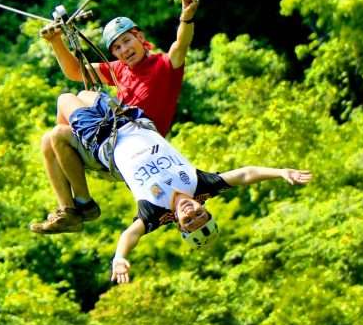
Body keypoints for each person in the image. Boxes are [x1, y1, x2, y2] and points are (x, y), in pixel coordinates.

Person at [30, 91, 312, 285]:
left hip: (103, 139)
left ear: (178, 223)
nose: (192, 212)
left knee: (64, 103)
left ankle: (79, 202)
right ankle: (69, 165)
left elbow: (130, 235)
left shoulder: (155, 213)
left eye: (189, 221)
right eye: (201, 214)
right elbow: (246, 174)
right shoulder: (202, 186)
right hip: (131, 120)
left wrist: (120, 258)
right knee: (84, 97)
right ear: (205, 207)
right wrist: (281, 172)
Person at [35, 0, 200, 226]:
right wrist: (56, 42)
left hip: (133, 147)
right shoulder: (119, 69)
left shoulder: (165, 66)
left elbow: (180, 45)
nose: (124, 50)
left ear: (140, 38)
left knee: (65, 105)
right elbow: (74, 70)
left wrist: (186, 19)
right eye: (117, 48)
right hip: (112, 142)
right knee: (52, 136)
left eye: (126, 41)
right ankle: (71, 208)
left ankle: (82, 196)